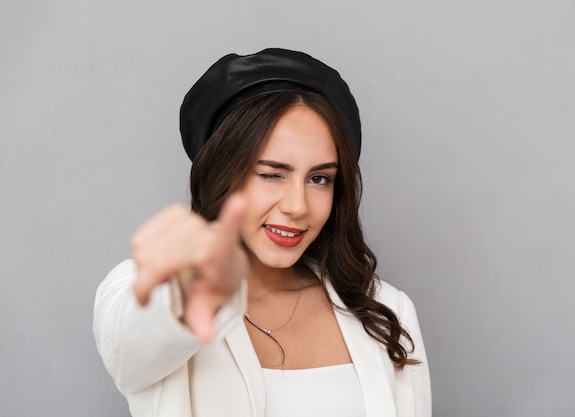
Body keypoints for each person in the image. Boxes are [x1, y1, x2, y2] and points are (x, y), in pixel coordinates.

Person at [93, 48, 431, 417]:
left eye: (319, 179)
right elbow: (133, 343)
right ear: (223, 175)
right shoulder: (145, 287)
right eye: (271, 174)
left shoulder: (385, 310)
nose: (297, 206)